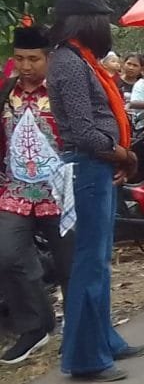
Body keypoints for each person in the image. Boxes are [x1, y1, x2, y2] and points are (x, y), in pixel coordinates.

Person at [47, 0, 144, 382]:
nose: (107, 28)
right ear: (86, 22)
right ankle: (85, 357)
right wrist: (122, 154)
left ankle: (104, 337)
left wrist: (119, 155)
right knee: (89, 263)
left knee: (100, 261)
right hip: (87, 166)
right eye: (102, 19)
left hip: (98, 167)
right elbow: (85, 132)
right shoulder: (69, 63)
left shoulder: (83, 60)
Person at [0, 26, 73, 365]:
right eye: (19, 59)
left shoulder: (62, 90)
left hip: (60, 189)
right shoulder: (6, 90)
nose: (26, 66)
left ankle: (79, 327)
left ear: (49, 58)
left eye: (33, 59)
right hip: (16, 190)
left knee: (69, 263)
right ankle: (36, 326)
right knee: (9, 254)